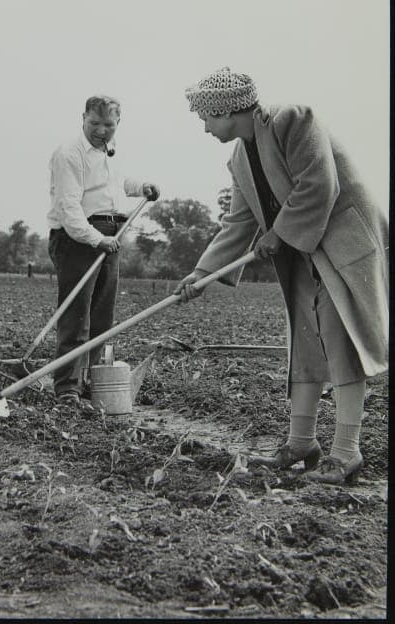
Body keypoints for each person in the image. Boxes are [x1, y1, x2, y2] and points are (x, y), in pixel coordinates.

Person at [175, 66, 388, 485]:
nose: (204, 128)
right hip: (302, 252)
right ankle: (301, 442)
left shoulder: (293, 120)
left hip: (342, 245)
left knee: (340, 339)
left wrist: (277, 232)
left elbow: (318, 186)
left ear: (227, 110)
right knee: (305, 344)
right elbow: (237, 222)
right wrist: (201, 272)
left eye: (206, 118)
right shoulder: (239, 157)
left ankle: (347, 453)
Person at [47, 95, 160, 403]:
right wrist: (96, 238)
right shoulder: (68, 154)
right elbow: (69, 209)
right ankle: (67, 387)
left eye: (108, 125)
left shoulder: (109, 152)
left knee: (101, 318)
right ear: (82, 118)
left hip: (112, 233)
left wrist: (142, 188)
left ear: (117, 124)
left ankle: (87, 383)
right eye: (94, 123)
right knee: (77, 315)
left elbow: (117, 184)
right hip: (78, 237)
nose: (101, 130)